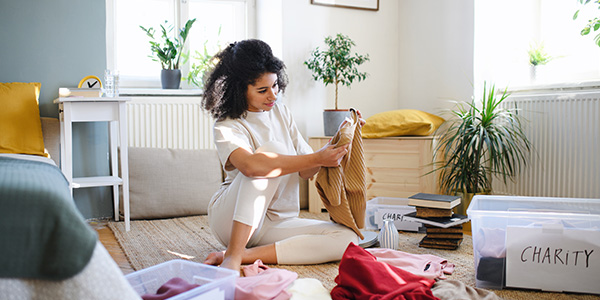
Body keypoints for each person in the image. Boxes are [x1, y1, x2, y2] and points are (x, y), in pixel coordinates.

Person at [201, 39, 362, 271]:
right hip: (231, 220)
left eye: (275, 85)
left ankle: (244, 255)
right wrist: (317, 158)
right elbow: (251, 166)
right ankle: (233, 255)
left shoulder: (282, 112)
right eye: (262, 90)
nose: (273, 95)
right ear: (239, 89)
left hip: (277, 222)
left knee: (348, 238)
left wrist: (339, 140)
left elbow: (307, 170)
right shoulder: (227, 125)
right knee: (271, 153)